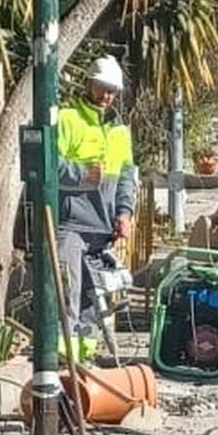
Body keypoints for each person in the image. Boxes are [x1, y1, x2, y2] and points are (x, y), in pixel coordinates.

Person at [56, 53, 137, 342]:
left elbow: (127, 176)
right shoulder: (68, 119)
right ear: (88, 84)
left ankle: (85, 365)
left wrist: (125, 213)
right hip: (71, 228)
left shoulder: (119, 132)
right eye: (102, 87)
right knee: (68, 297)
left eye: (112, 90)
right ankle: (63, 365)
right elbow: (48, 164)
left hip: (103, 232)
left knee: (96, 306)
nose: (107, 95)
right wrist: (81, 174)